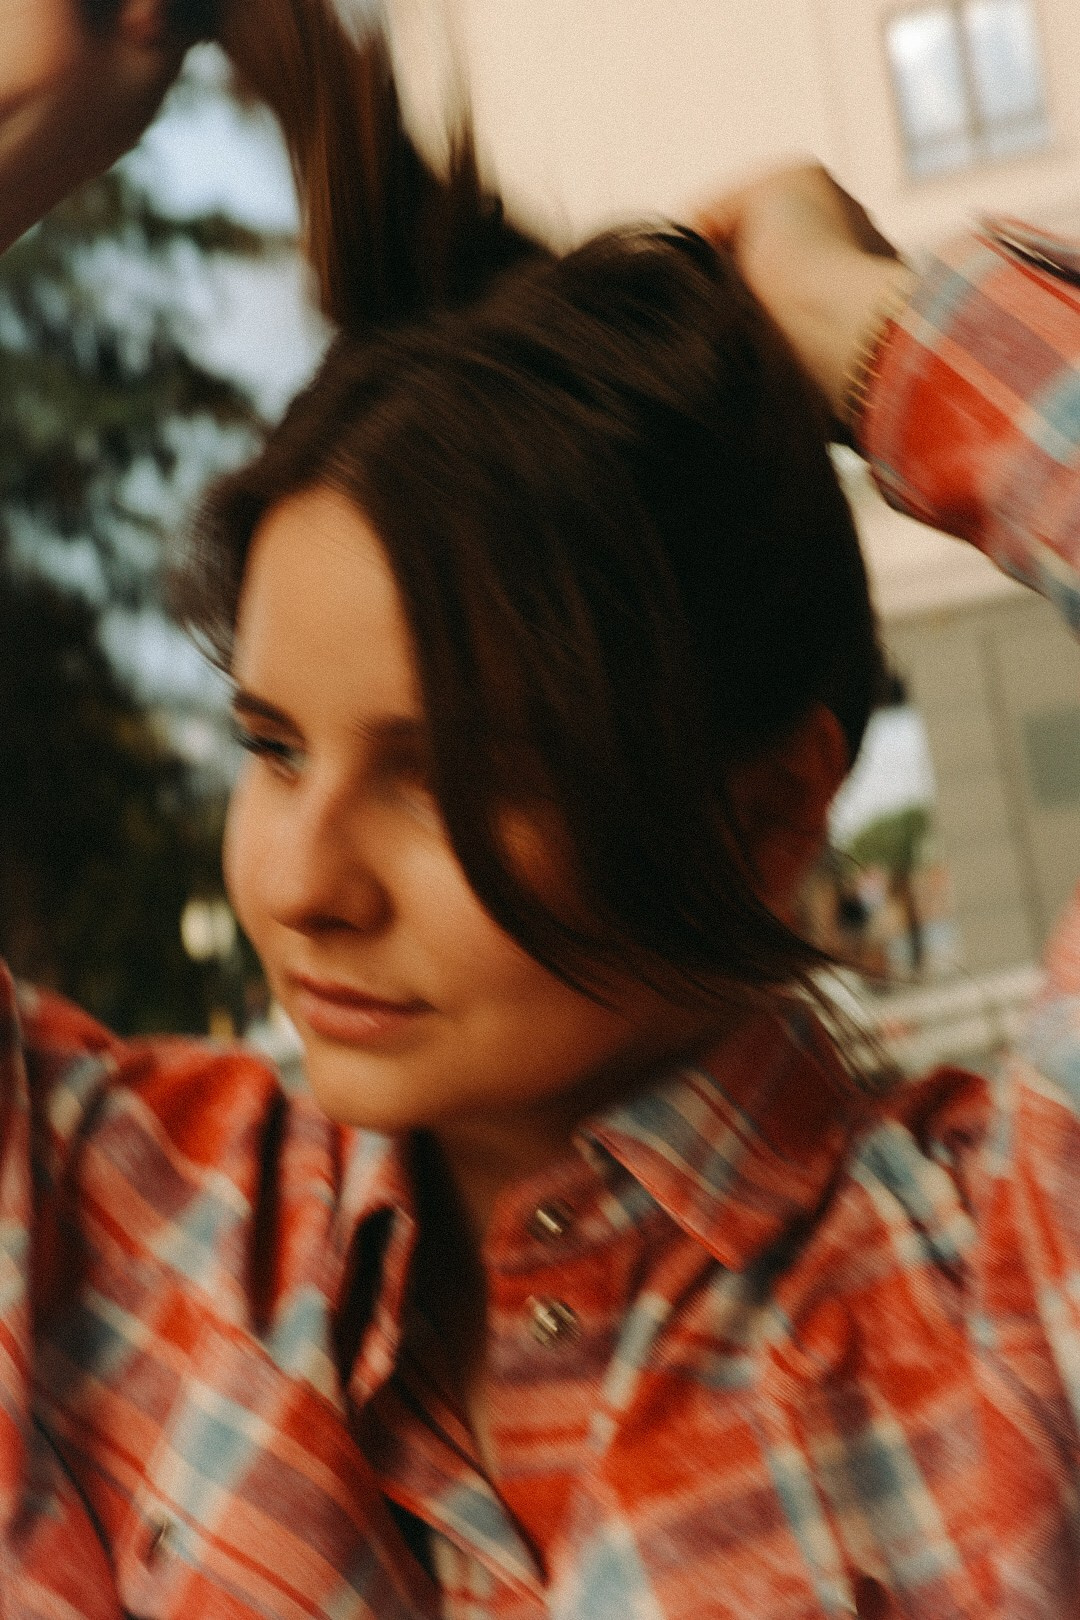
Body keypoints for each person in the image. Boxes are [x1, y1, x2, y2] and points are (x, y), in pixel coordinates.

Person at [4, 8, 1080, 1620]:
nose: (302, 883)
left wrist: (859, 324)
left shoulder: (1002, 1277)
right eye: (274, 743)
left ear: (774, 801)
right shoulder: (133, 1232)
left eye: (451, 773)